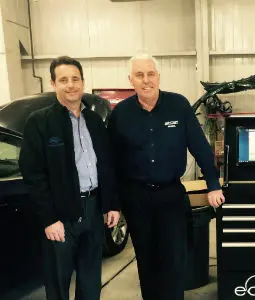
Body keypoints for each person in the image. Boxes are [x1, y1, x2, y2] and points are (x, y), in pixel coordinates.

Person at [108, 53, 224, 300]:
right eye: (139, 75)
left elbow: (200, 147)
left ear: (159, 76)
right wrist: (113, 203)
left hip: (171, 196)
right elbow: (111, 162)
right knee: (146, 262)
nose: (146, 80)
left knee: (173, 262)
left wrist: (213, 184)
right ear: (131, 80)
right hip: (136, 198)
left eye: (151, 74)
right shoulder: (120, 114)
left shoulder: (178, 105)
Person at [19, 56, 121, 300]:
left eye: (75, 79)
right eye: (63, 80)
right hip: (60, 217)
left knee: (90, 280)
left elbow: (107, 165)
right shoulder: (40, 122)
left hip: (94, 210)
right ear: (53, 84)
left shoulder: (94, 121)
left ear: (83, 82)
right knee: (58, 282)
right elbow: (33, 173)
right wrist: (49, 218)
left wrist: (111, 204)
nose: (71, 85)